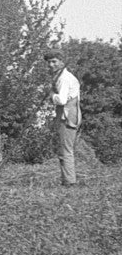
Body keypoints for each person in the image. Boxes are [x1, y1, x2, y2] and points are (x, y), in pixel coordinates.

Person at [44, 49, 82, 187]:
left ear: (61, 62)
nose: (51, 65)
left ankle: (69, 183)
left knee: (65, 149)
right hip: (67, 113)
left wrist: (51, 94)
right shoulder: (60, 76)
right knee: (64, 148)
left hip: (67, 115)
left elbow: (61, 100)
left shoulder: (64, 78)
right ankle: (67, 180)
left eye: (54, 61)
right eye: (49, 62)